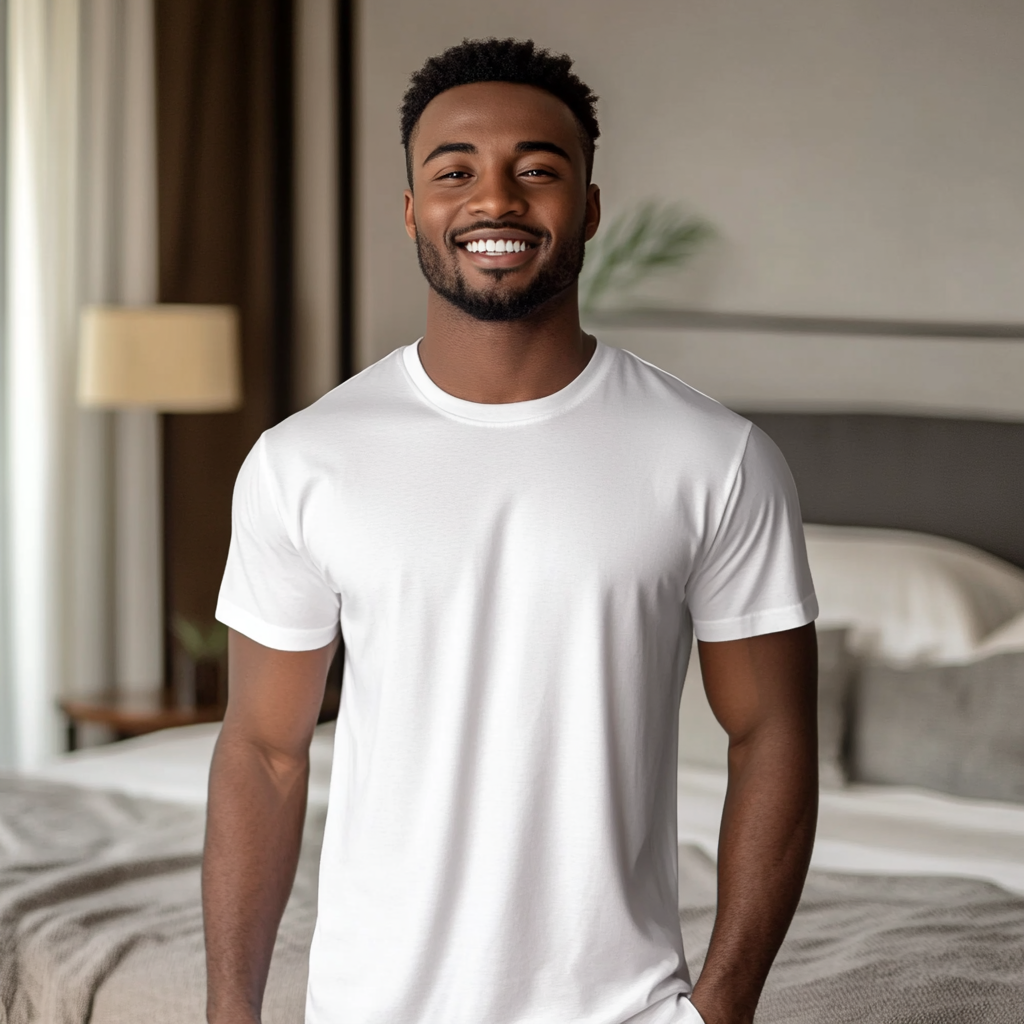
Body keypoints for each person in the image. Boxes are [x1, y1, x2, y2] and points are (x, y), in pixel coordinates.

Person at [206, 37, 820, 1024]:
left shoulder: (715, 457)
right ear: (413, 210)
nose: (495, 199)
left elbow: (772, 730)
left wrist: (724, 1005)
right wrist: (230, 1014)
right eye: (455, 171)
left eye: (537, 170)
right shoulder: (302, 460)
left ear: (587, 207)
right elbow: (263, 750)